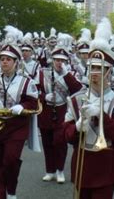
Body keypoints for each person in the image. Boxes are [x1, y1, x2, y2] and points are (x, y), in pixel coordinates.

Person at [64, 18, 114, 198]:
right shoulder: (76, 100)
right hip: (82, 163)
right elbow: (66, 135)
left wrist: (101, 115)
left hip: (106, 164)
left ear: (108, 72)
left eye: (99, 69)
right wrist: (76, 127)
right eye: (92, 68)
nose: (94, 74)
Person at [0, 28, 39, 199]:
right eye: (2, 59)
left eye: (8, 59)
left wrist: (22, 106)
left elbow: (33, 102)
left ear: (16, 62)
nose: (4, 62)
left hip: (16, 127)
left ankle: (11, 191)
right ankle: (0, 194)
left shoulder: (26, 82)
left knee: (10, 160)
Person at [36, 33, 84, 184]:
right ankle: (49, 170)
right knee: (47, 142)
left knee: (60, 143)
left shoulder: (70, 74)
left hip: (63, 111)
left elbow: (78, 90)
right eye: (57, 60)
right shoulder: (42, 73)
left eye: (62, 61)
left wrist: (66, 75)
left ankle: (60, 170)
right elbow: (34, 91)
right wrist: (44, 97)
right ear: (52, 60)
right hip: (46, 112)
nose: (59, 63)